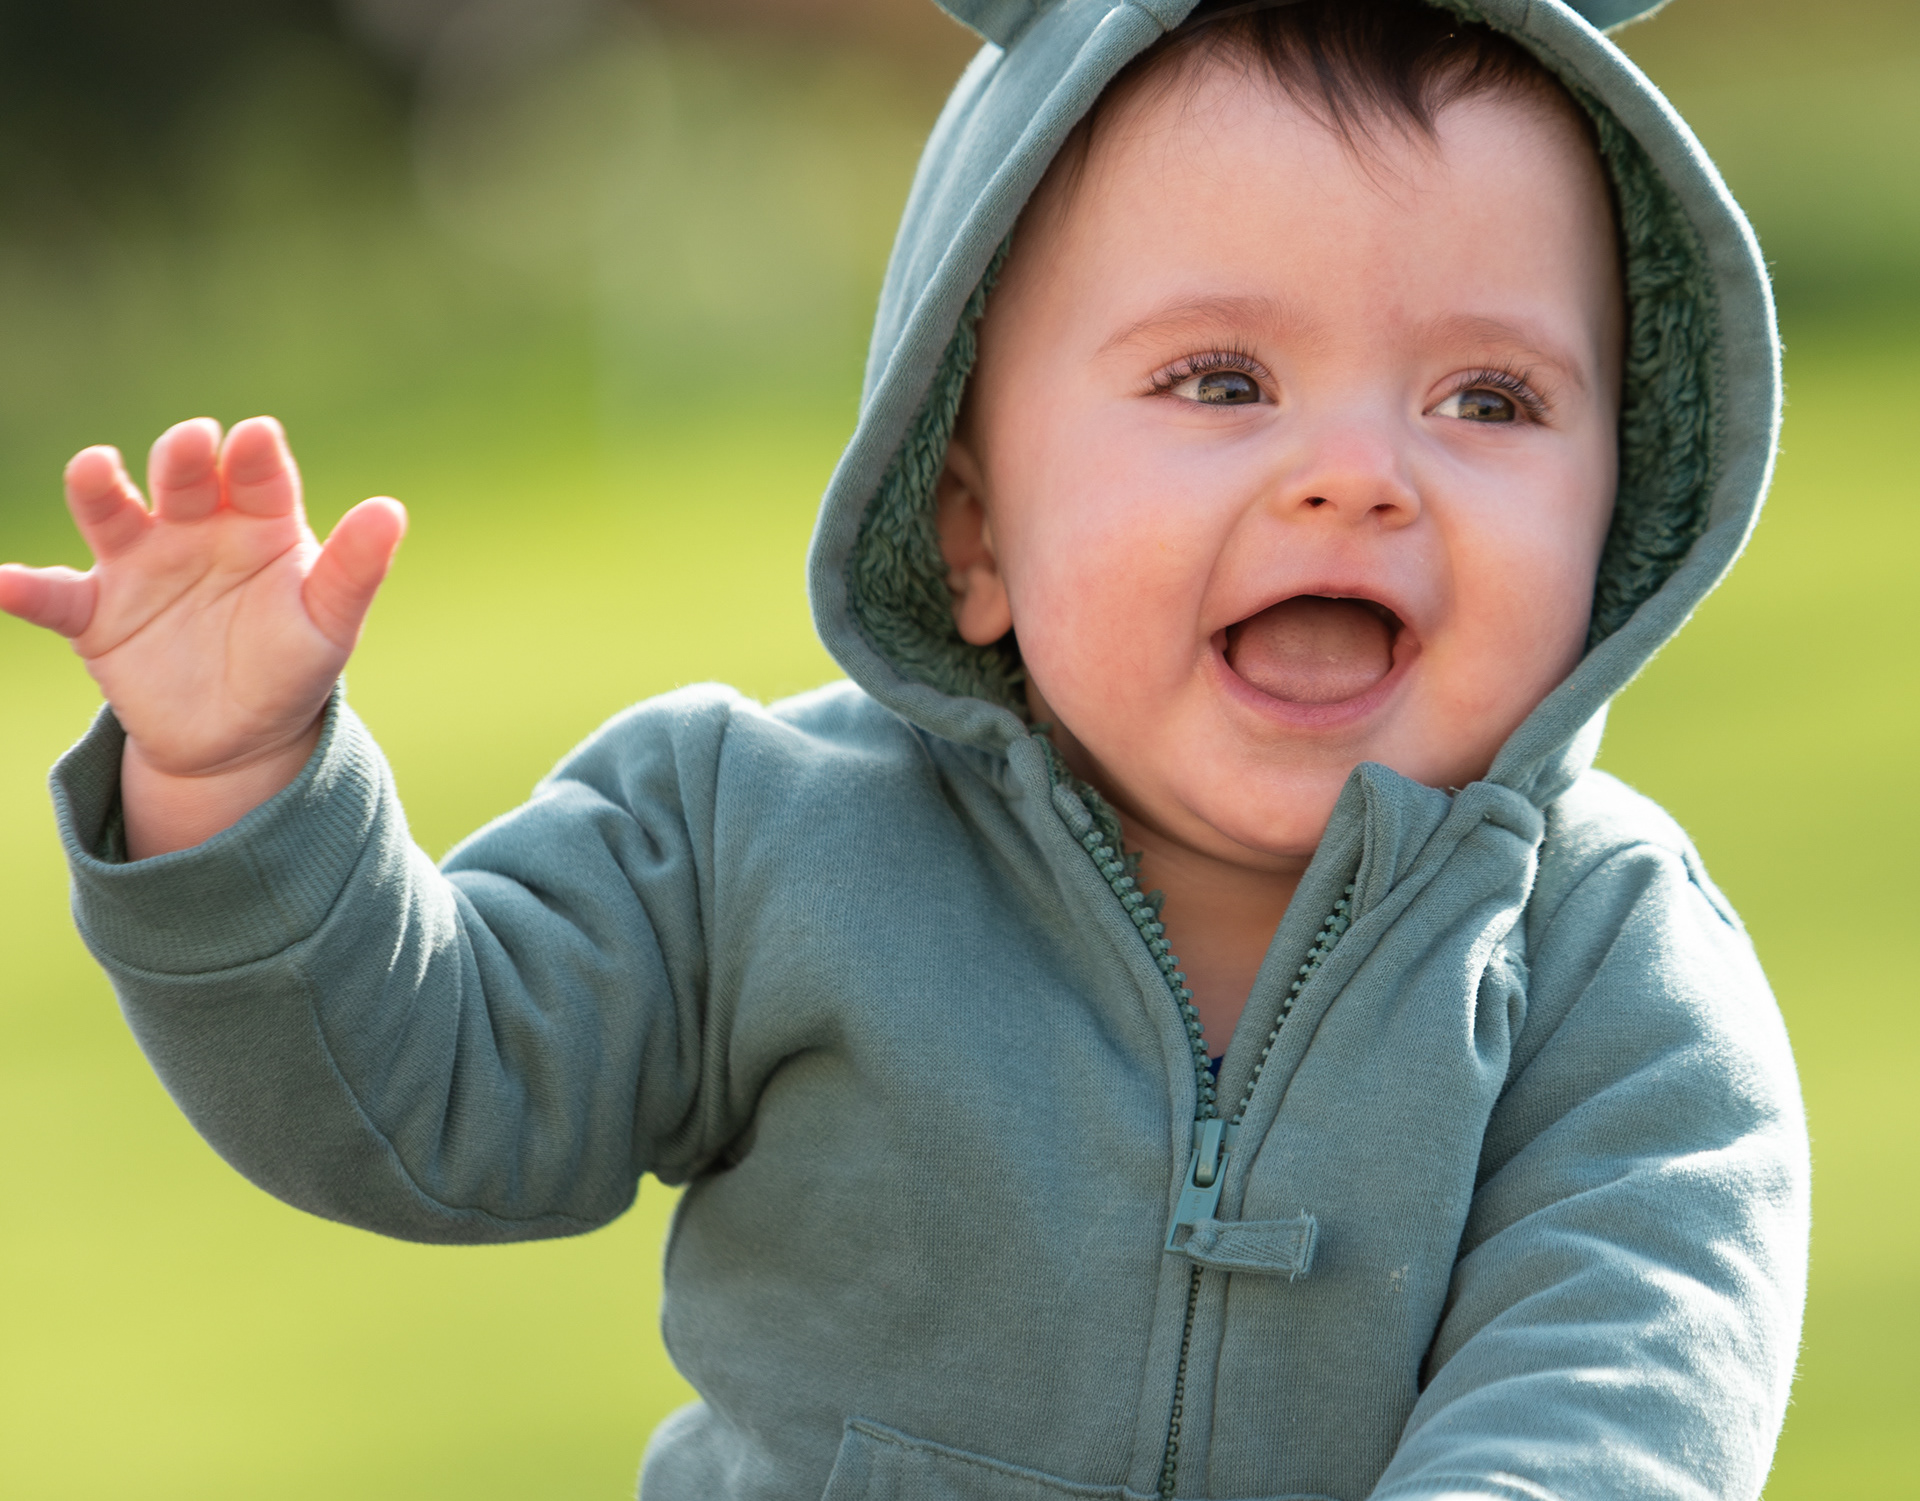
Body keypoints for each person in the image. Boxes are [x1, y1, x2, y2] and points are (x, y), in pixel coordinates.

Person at [0, 0, 1808, 1496]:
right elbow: (422, 1088)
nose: (1357, 473)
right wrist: (240, 785)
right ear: (971, 527)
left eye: (1489, 398)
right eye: (1222, 382)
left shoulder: (1616, 975)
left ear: (1624, 511)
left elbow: (1618, 1398)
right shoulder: (750, 840)